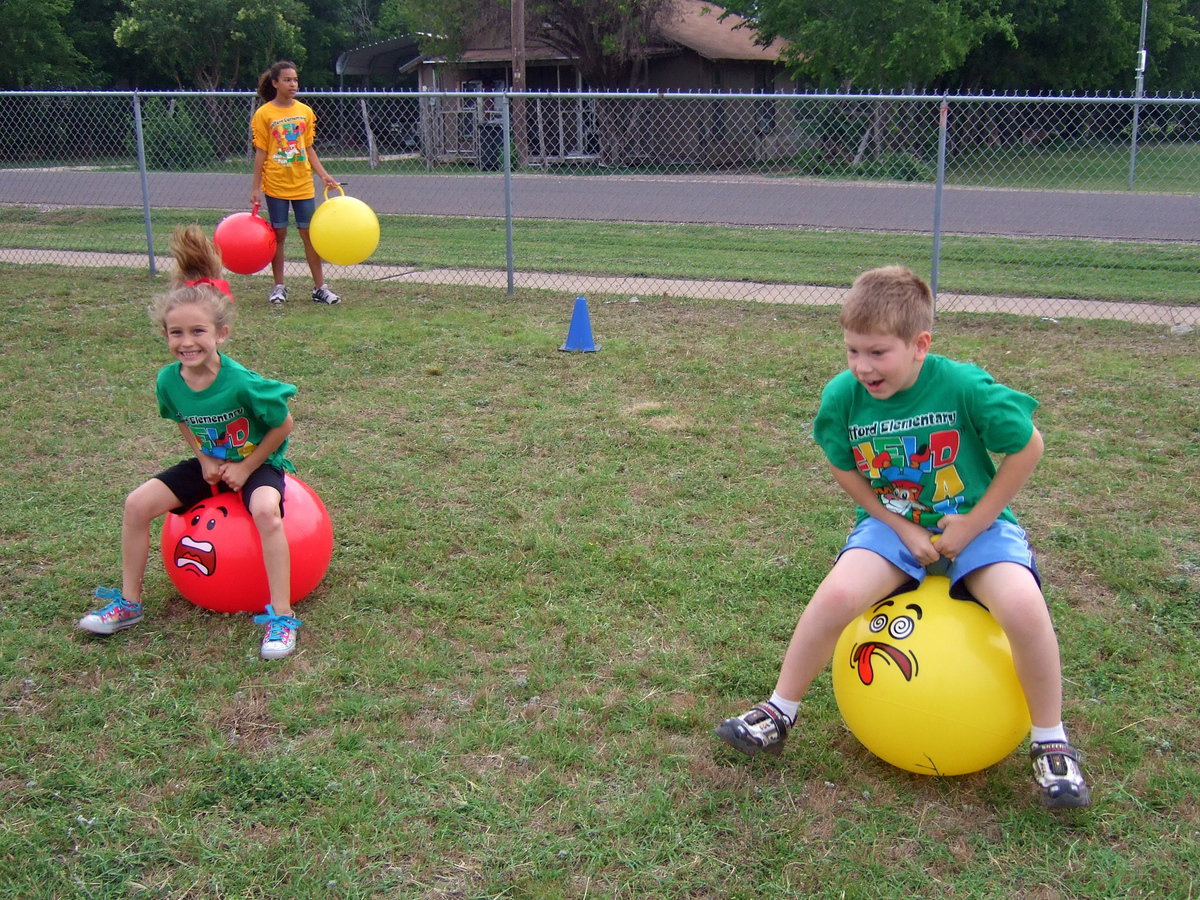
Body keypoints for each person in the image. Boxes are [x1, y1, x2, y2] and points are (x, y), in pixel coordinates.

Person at [714, 265, 1090, 809]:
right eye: (852, 351)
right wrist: (898, 524)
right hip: (896, 523)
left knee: (1024, 607)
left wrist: (974, 523)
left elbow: (1027, 445)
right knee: (839, 594)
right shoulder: (844, 396)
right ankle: (778, 710)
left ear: (920, 345)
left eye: (877, 353)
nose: (863, 367)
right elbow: (841, 463)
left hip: (976, 525)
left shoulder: (961, 385)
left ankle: (1051, 740)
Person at [78, 225, 305, 659]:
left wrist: (246, 467)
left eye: (198, 332)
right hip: (212, 465)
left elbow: (284, 424)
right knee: (135, 505)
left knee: (265, 512)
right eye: (176, 333)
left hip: (258, 464)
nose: (187, 342)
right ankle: (128, 603)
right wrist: (203, 458)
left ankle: (281, 616)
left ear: (221, 333)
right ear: (165, 335)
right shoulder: (169, 381)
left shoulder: (241, 382)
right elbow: (182, 418)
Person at [251, 59, 341, 306]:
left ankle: (320, 288)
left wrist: (323, 174)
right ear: (275, 83)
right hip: (276, 185)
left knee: (309, 235)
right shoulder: (264, 114)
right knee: (278, 236)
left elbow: (308, 148)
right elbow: (261, 153)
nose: (293, 84)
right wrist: (255, 188)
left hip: (302, 185)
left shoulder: (304, 111)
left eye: (295, 79)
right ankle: (279, 287)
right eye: (288, 80)